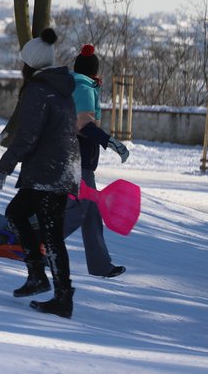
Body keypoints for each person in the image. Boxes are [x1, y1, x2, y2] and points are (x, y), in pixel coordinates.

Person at [0, 28, 81, 319]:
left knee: (35, 224)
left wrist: (5, 166)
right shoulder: (61, 86)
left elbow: (28, 135)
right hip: (62, 167)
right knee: (27, 218)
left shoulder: (38, 89)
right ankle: (44, 281)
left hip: (48, 172)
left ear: (29, 63)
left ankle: (52, 288)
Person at [63, 44, 129, 278]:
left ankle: (101, 265)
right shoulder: (83, 87)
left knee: (91, 215)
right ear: (93, 70)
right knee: (78, 211)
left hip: (80, 160)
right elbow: (84, 125)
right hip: (80, 161)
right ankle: (40, 243)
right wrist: (110, 141)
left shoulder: (78, 84)